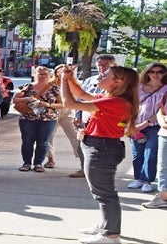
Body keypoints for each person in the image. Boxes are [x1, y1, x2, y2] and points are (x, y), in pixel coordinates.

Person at [61, 65, 139, 244]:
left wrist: (64, 80)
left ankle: (111, 235)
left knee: (104, 193)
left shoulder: (114, 102)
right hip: (101, 146)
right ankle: (107, 225)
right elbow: (82, 94)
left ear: (118, 82)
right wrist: (70, 78)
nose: (101, 75)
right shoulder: (111, 99)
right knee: (102, 191)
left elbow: (70, 103)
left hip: (101, 148)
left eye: (106, 74)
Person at [70, 54, 117, 178]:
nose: (101, 68)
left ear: (113, 65)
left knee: (102, 146)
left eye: (104, 65)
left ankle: (101, 170)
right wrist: (77, 115)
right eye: (99, 65)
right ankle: (84, 168)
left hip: (104, 119)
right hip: (86, 116)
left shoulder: (116, 82)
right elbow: (80, 98)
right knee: (82, 144)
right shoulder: (90, 80)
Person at [128, 62, 167, 193]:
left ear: (164, 73)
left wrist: (146, 123)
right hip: (136, 125)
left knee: (150, 153)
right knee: (136, 154)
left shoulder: (165, 89)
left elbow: (162, 111)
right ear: (147, 73)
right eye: (152, 71)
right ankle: (138, 178)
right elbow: (130, 105)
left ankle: (147, 180)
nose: (156, 75)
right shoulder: (138, 87)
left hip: (154, 126)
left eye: (159, 72)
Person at [13, 66, 60, 173]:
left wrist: (48, 104)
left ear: (50, 76)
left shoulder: (55, 88)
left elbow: (62, 104)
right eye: (40, 74)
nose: (42, 76)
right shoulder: (27, 87)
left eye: (45, 74)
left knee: (43, 142)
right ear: (35, 75)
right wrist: (27, 98)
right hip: (27, 118)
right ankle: (27, 163)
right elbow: (15, 99)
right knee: (27, 142)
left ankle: (38, 163)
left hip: (48, 119)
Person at [45, 64, 81, 170]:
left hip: (68, 114)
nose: (61, 73)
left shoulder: (74, 84)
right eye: (59, 71)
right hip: (53, 113)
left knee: (75, 136)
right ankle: (50, 159)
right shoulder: (50, 84)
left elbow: (79, 99)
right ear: (55, 73)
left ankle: (83, 160)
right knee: (49, 137)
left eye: (64, 71)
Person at [143, 91, 167, 208]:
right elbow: (160, 112)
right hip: (165, 134)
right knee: (163, 167)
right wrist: (163, 123)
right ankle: (163, 196)